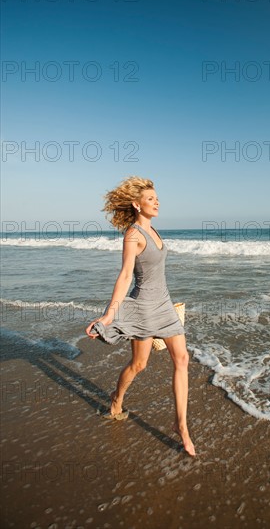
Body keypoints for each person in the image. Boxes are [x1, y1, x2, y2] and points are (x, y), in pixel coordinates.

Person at [85, 176, 196, 457]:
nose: (156, 202)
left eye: (157, 198)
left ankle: (181, 426)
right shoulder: (134, 234)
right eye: (150, 199)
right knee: (139, 365)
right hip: (145, 307)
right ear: (137, 204)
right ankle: (116, 399)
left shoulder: (154, 230)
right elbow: (125, 276)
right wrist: (110, 314)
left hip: (165, 305)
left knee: (182, 359)